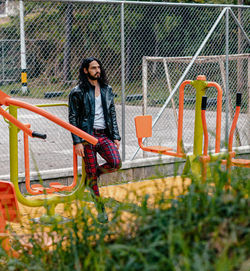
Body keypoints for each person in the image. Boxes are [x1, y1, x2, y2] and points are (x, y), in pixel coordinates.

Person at [68, 57, 122, 223]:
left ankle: (92, 175)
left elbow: (112, 114)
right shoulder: (77, 92)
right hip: (86, 137)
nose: (97, 70)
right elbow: (73, 118)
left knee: (115, 162)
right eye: (93, 68)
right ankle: (100, 209)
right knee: (92, 174)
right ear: (85, 70)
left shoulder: (107, 89)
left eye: (98, 67)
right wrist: (77, 141)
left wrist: (115, 136)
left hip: (103, 135)